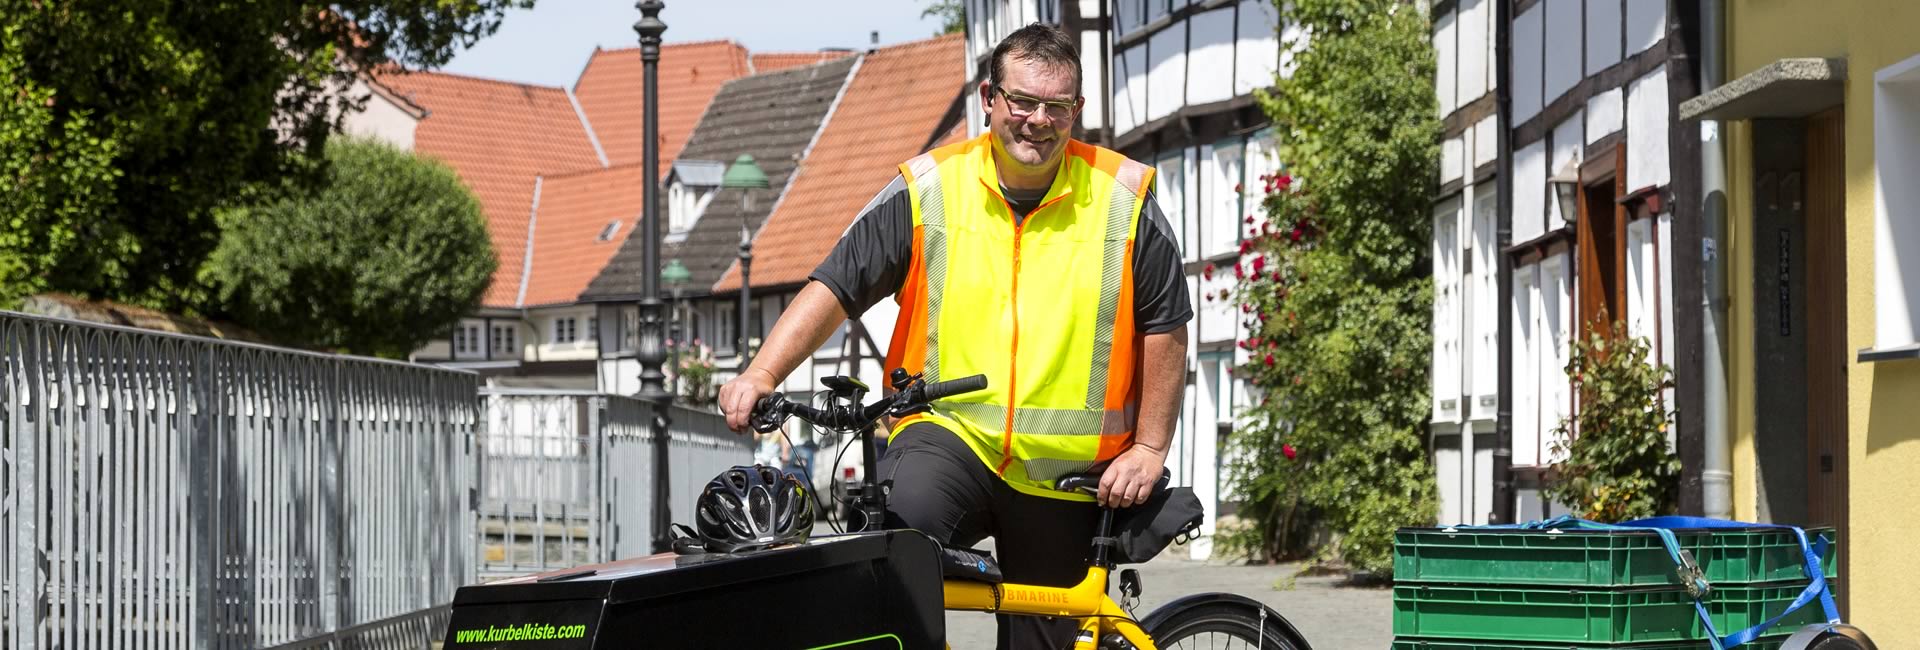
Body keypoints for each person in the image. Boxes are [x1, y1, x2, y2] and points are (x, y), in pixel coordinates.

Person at [719, 23, 1190, 649]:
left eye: (1056, 107)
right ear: (990, 99)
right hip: (950, 439)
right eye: (1022, 101)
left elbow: (1167, 325)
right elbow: (836, 284)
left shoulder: (1123, 197)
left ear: (1077, 111)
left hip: (1067, 472)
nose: (1037, 120)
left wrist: (1150, 448)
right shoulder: (929, 189)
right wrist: (762, 373)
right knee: (890, 559)